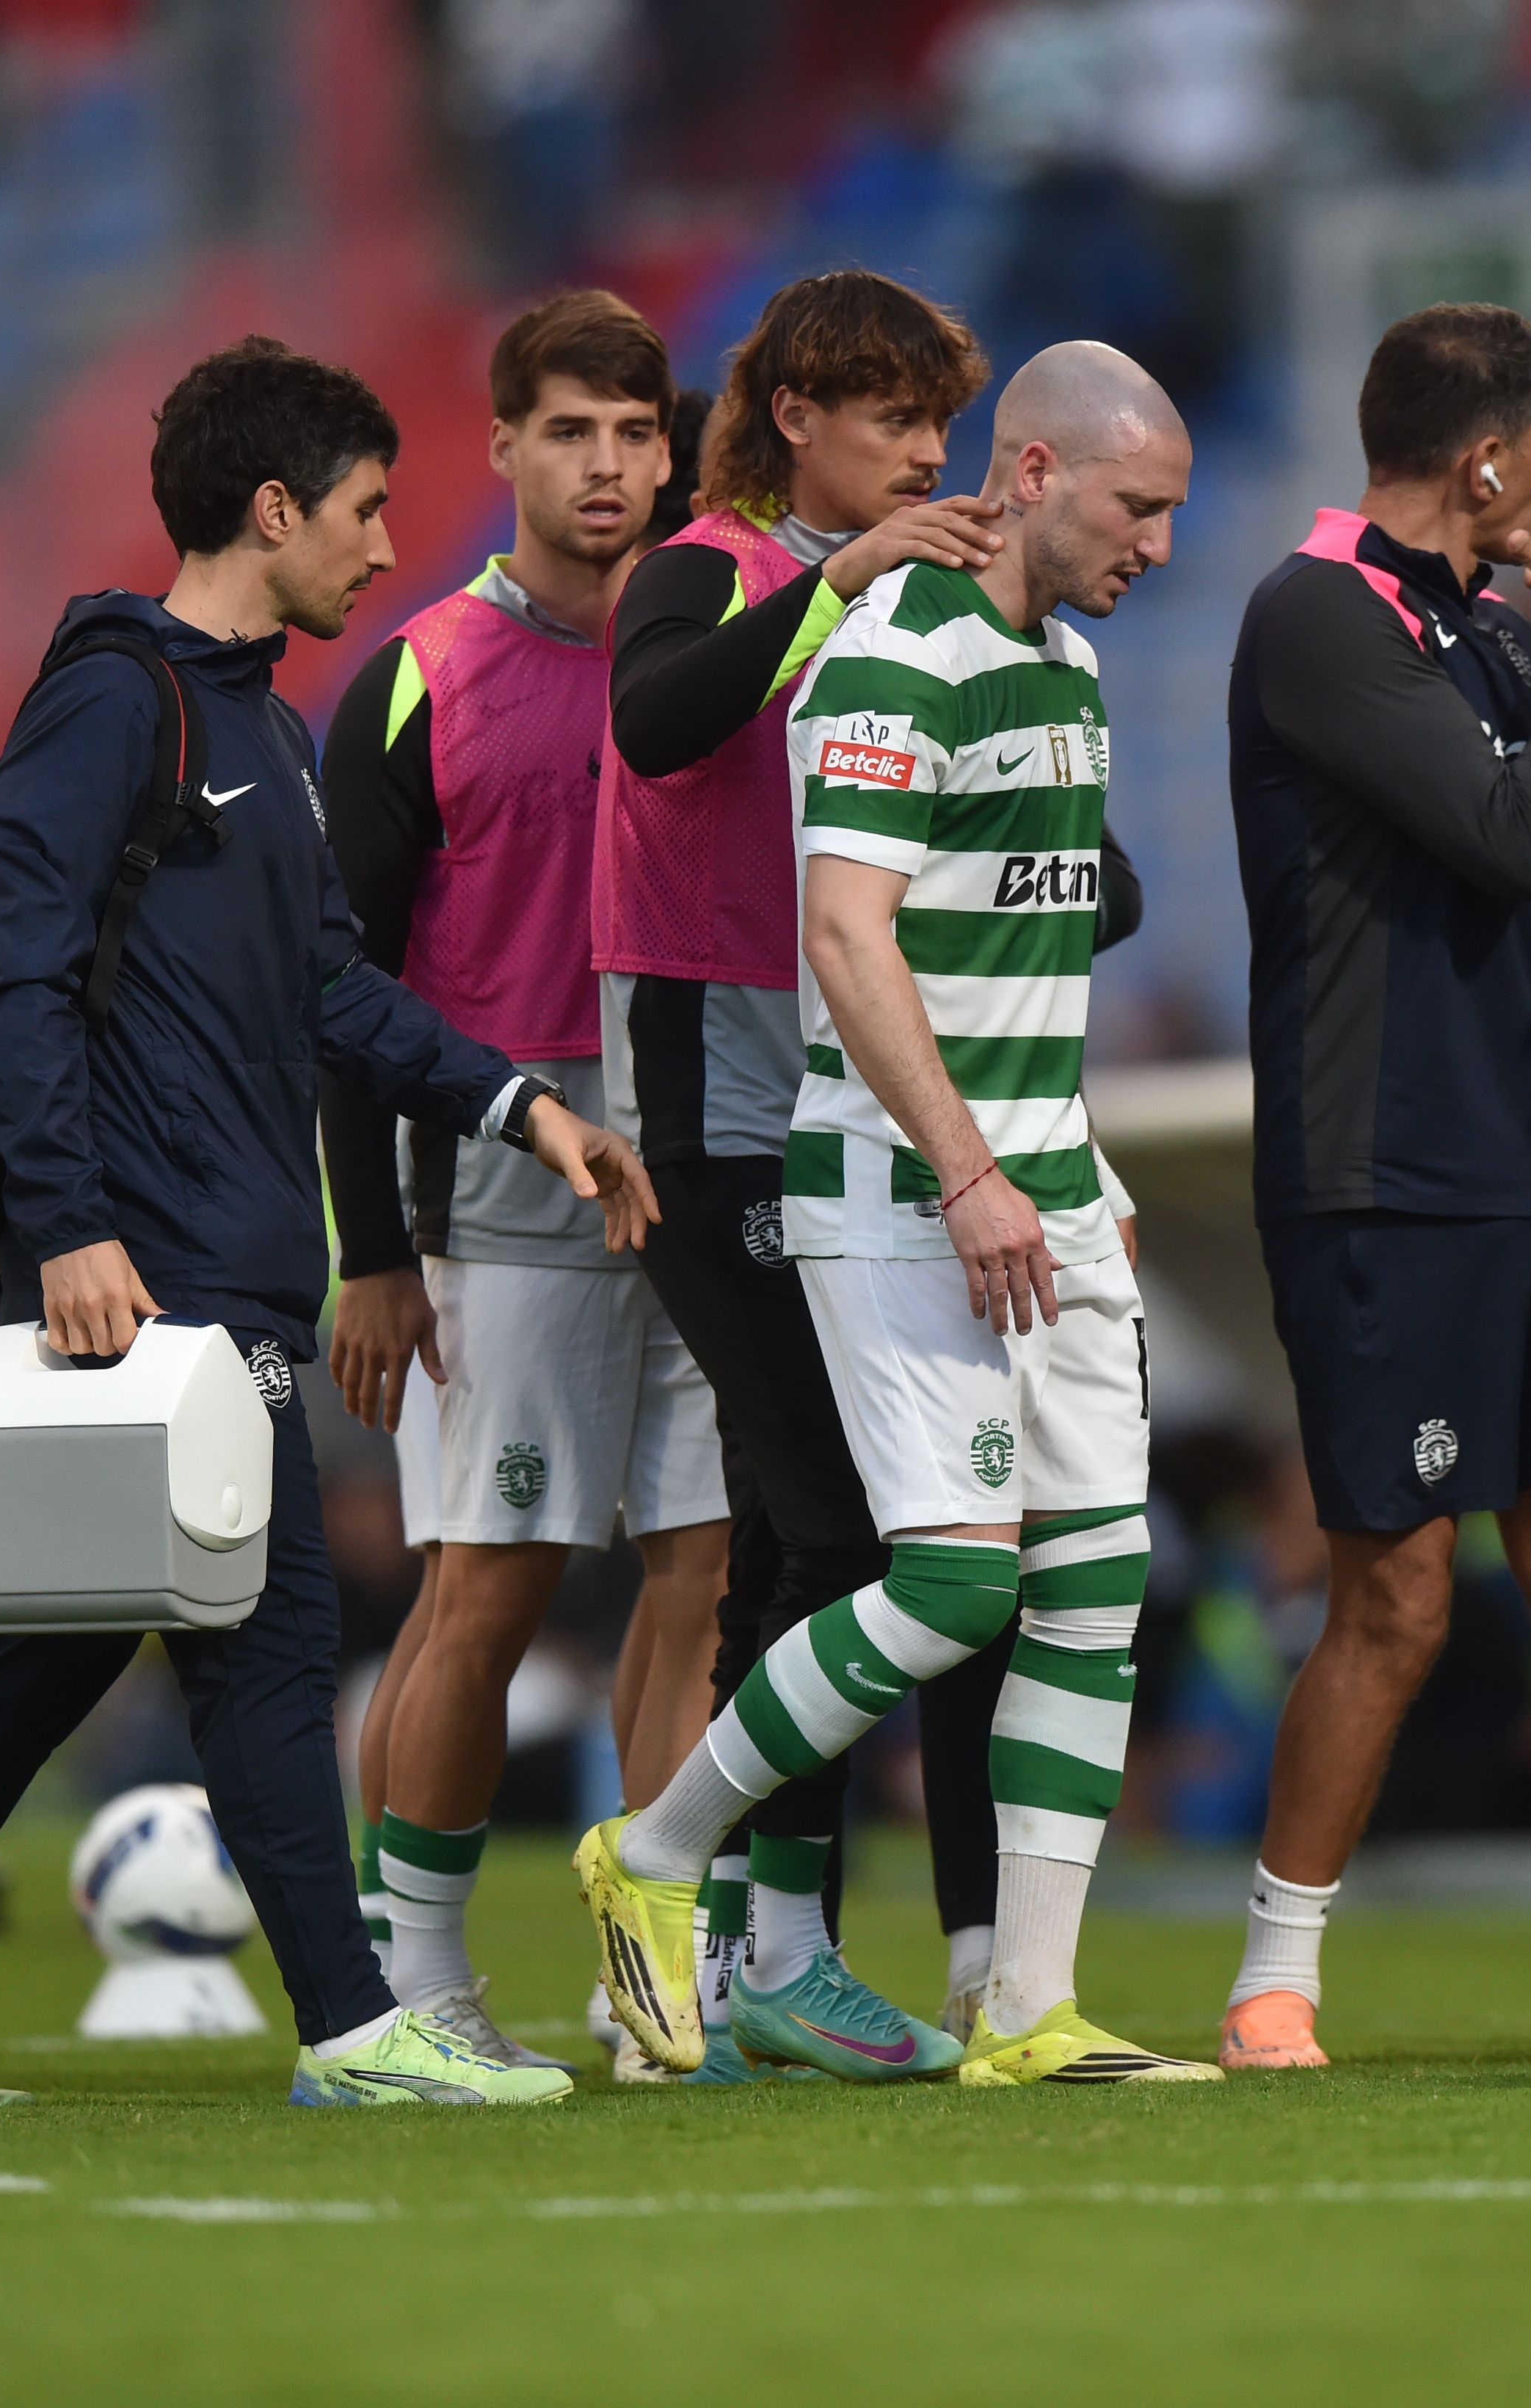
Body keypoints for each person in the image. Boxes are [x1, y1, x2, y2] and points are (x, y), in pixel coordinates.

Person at [0, 337, 652, 2113]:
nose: (384, 545)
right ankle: (355, 2027)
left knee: (55, 1652)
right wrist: (67, 1226)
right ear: (274, 508)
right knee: (272, 1641)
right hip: (148, 1268)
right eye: (366, 509)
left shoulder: (268, 727)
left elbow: (333, 987)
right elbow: (7, 969)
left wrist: (517, 1104)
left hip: (217, 1254)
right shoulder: (117, 701)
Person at [577, 340, 1212, 2086]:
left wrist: (1077, 1168)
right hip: (899, 1193)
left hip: (1045, 1193)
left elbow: (1025, 970)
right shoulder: (892, 650)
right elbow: (845, 937)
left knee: (1093, 1581)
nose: (1157, 544)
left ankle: (1029, 2008)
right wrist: (970, 1169)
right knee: (944, 1583)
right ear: (1033, 472)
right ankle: (651, 1850)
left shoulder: (1070, 667)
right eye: (1137, 505)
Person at [1215, 302, 1531, 2075]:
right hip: (1385, 1172)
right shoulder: (1315, 614)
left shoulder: (1487, 631)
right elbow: (1505, 833)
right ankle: (1274, 1978)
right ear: (1485, 459)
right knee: (1399, 1588)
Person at [592, 269, 1016, 2056]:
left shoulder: (921, 599)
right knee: (841, 1531)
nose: (927, 454)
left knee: (793, 1528)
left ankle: (736, 1951)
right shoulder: (705, 568)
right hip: (716, 1108)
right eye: (892, 418)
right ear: (795, 417)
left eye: (939, 423)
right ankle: (751, 1938)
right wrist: (837, 588)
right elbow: (654, 722)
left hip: (850, 1112)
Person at [314, 291, 730, 2079]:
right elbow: (340, 991)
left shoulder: (717, 652)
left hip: (704, 1158)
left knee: (705, 1574)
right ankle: (411, 1981)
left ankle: (654, 1985)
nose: (608, 465)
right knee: (483, 1593)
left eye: (636, 431)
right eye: (570, 430)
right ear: (499, 446)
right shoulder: (416, 676)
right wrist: (372, 1248)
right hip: (495, 1191)